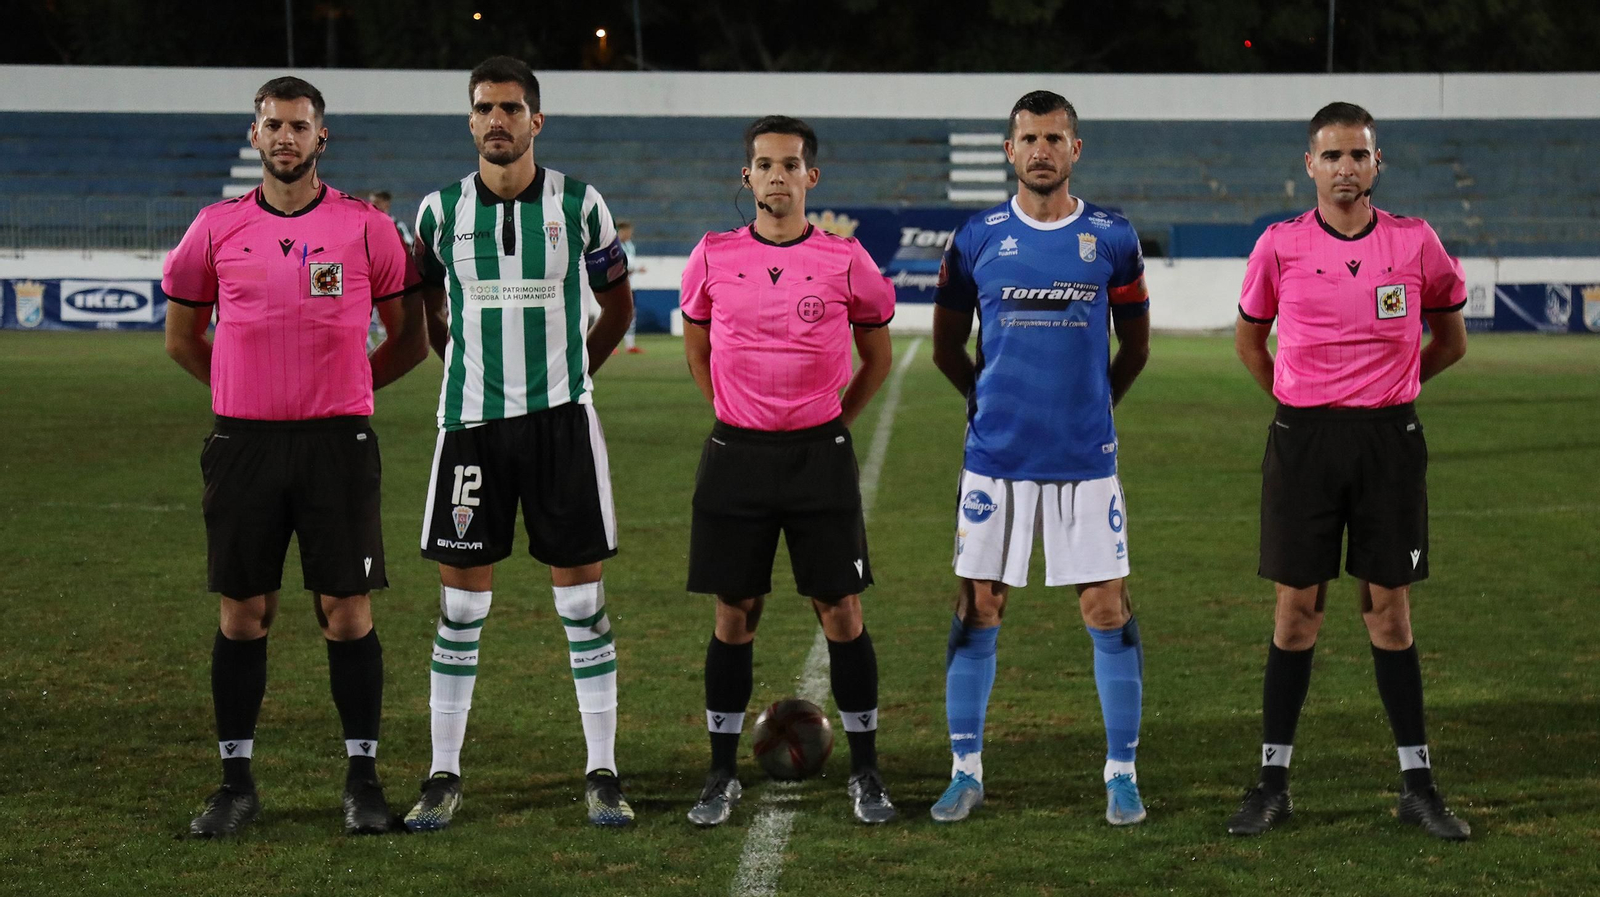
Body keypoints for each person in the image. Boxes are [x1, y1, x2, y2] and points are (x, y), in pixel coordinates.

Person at [162, 76, 427, 838]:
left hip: (336, 445)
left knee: (346, 612)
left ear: (322, 137)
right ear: (255, 136)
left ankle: (363, 778)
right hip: (242, 443)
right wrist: (238, 390)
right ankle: (235, 782)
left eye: (299, 126)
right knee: (244, 614)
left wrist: (349, 388)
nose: (286, 137)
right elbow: (183, 337)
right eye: (273, 125)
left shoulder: (366, 229)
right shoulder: (213, 228)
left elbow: (408, 334)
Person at [1226, 102, 1470, 841]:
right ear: (1310, 165)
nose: (1345, 169)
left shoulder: (1414, 242)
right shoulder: (1280, 246)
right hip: (1303, 441)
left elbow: (1451, 339)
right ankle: (1272, 783)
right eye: (1330, 156)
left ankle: (1417, 784)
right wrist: (1298, 401)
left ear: (1376, 163)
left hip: (1388, 442)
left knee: (1388, 612)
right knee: (1296, 611)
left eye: (1358, 155)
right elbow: (1249, 340)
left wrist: (1395, 390)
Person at [405, 56, 637, 831]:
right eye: (483, 109)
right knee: (460, 609)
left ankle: (602, 769)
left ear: (537, 120)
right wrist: (464, 368)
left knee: (580, 601)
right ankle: (442, 773)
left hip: (562, 425)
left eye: (510, 108)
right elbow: (426, 306)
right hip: (468, 428)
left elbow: (617, 303)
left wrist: (571, 376)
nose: (496, 120)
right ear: (469, 121)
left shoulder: (581, 202)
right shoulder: (437, 212)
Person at [929, 90, 1152, 826]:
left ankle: (1121, 773)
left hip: (1086, 460)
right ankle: (966, 770)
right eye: (1028, 138)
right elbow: (945, 345)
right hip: (996, 458)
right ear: (1009, 148)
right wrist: (986, 403)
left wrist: (1094, 405)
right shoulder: (976, 237)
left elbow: (1137, 344)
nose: (1042, 150)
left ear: (1075, 149)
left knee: (1107, 607)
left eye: (1055, 138)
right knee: (978, 606)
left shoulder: (1113, 237)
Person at [680, 115, 896, 827]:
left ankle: (866, 772)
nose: (778, 175)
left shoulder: (845, 259)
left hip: (817, 457)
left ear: (812, 176)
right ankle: (719, 775)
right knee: (734, 613)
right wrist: (731, 412)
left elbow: (877, 358)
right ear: (747, 176)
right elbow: (698, 342)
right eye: (766, 164)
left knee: (841, 610)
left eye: (791, 164)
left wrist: (833, 422)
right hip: (736, 456)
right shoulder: (712, 255)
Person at [617, 220, 644, 353]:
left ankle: (630, 345)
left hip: (630, 285)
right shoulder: (613, 245)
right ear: (620, 231)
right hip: (616, 286)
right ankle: (611, 346)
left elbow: (629, 267)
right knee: (614, 315)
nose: (629, 234)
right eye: (627, 232)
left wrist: (636, 269)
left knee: (631, 315)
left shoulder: (630, 245)